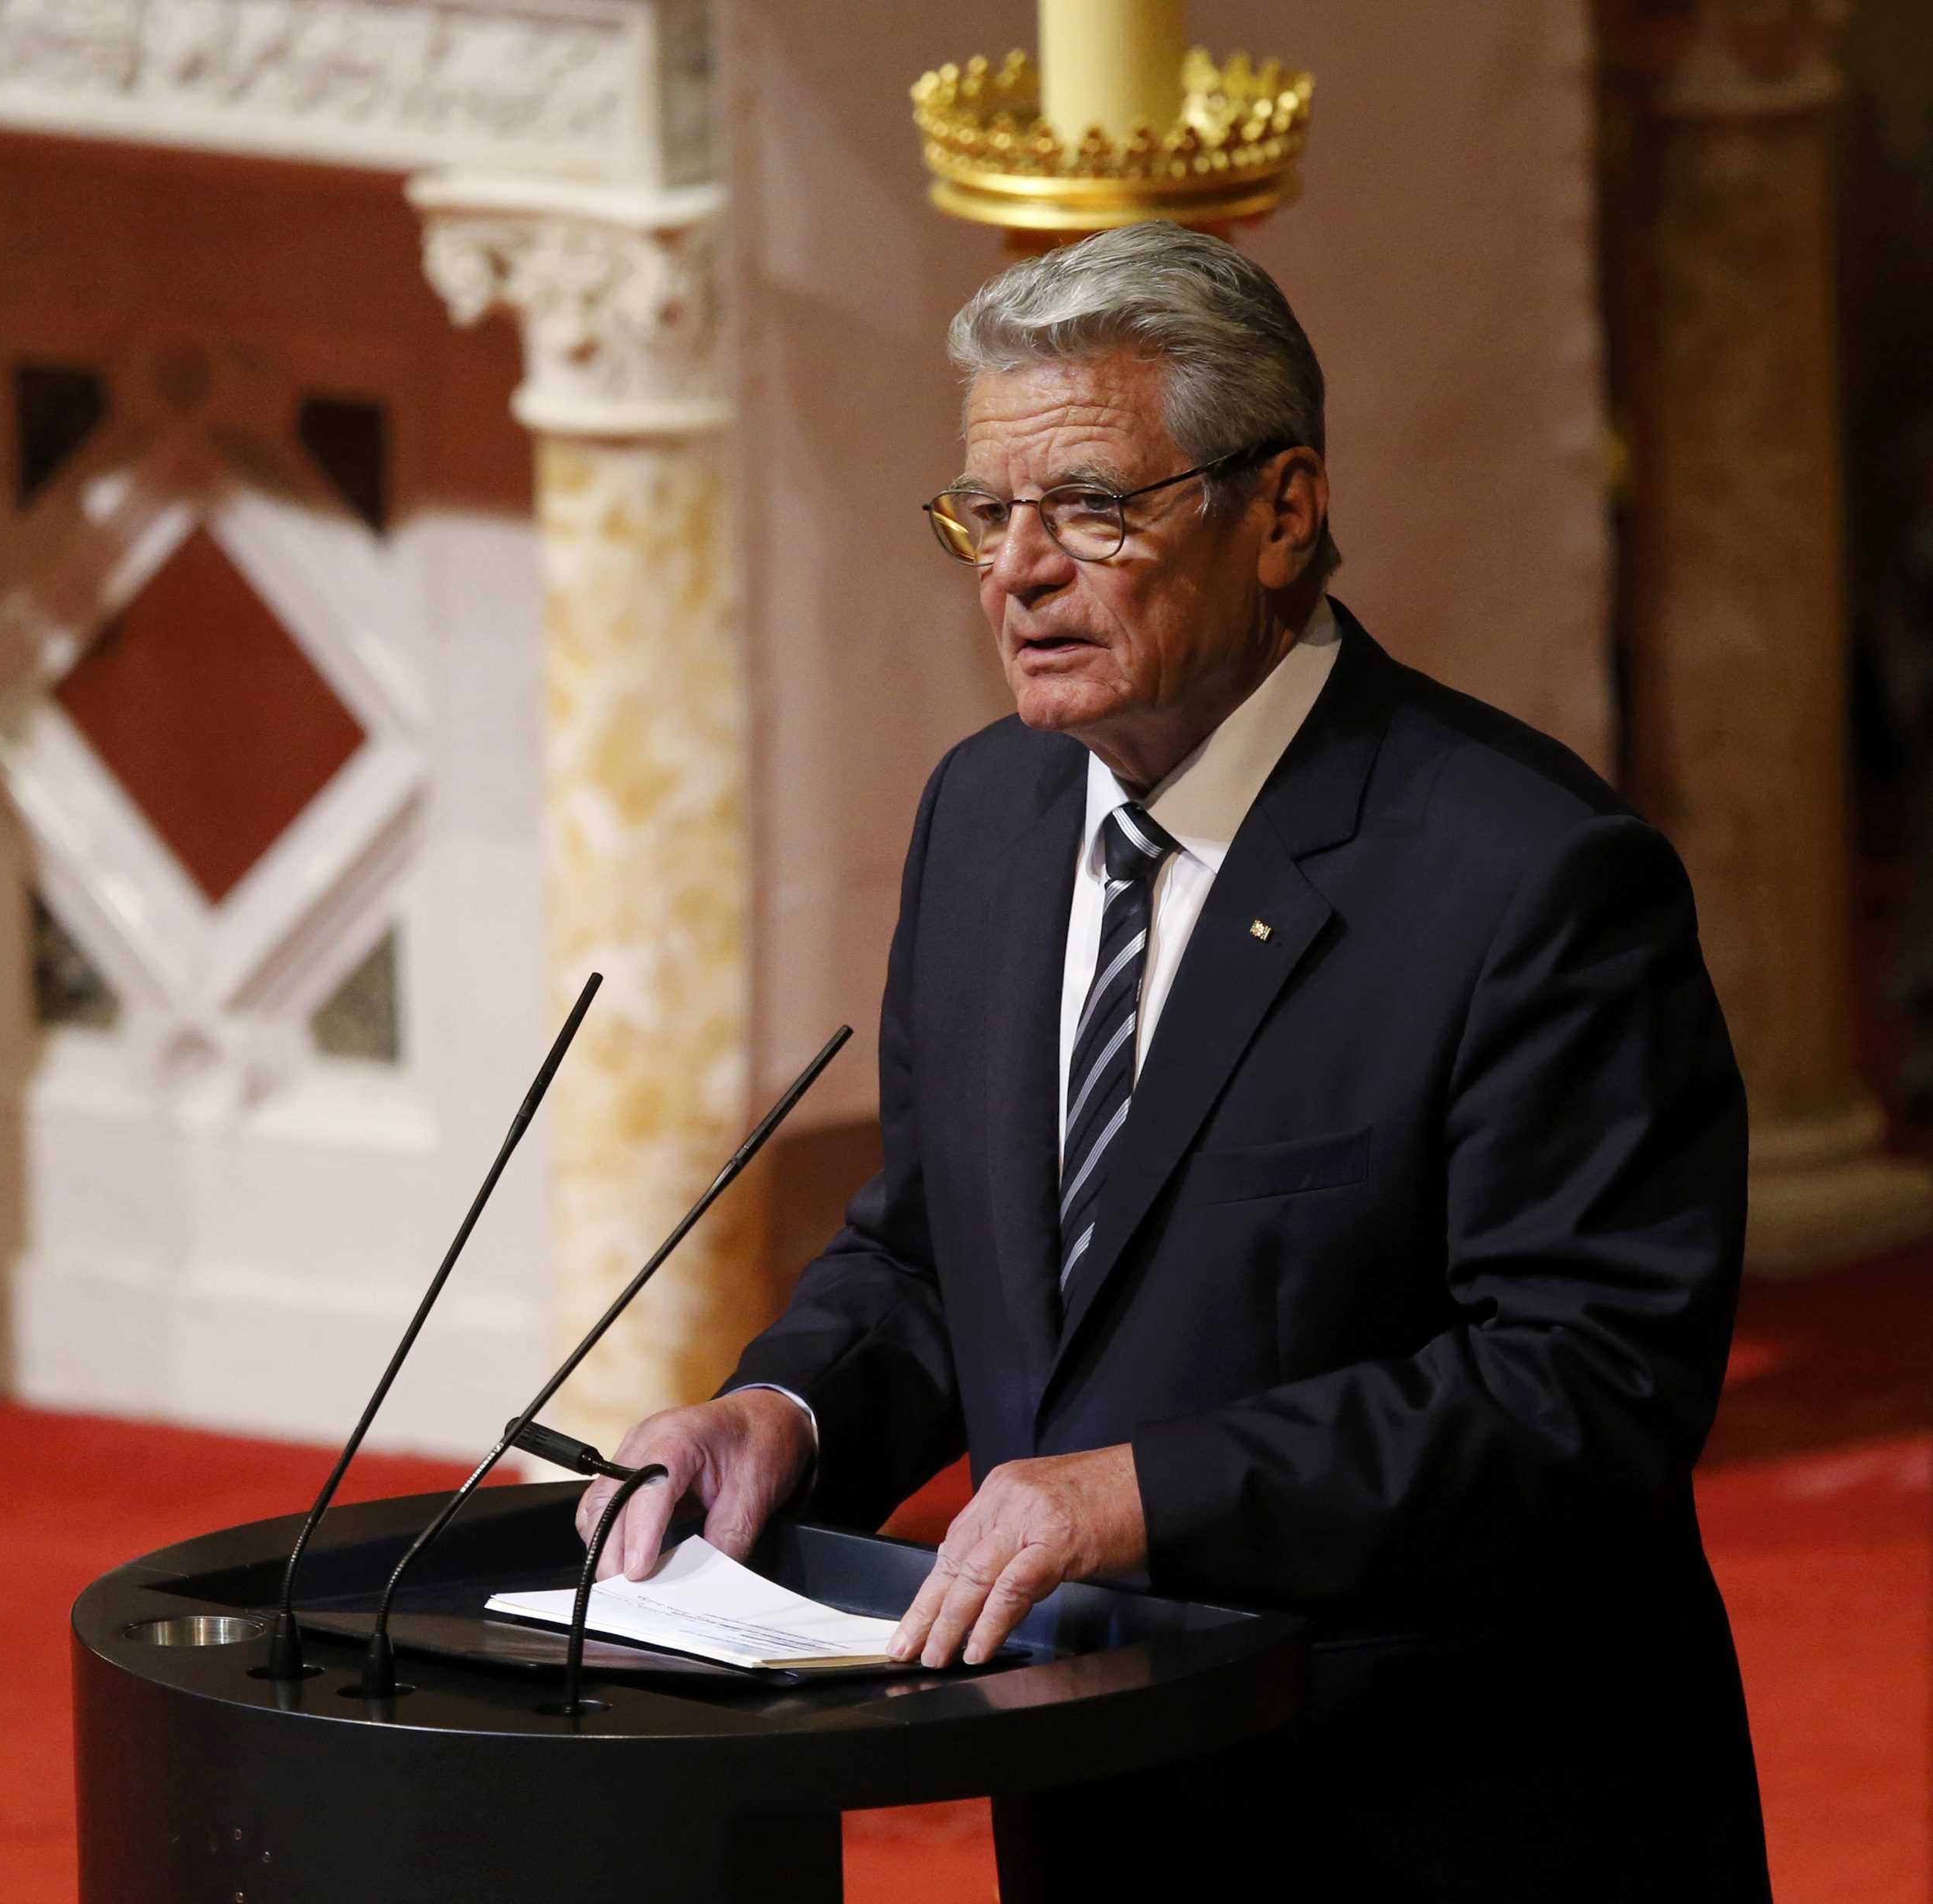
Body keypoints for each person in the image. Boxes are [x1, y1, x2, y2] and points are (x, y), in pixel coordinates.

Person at [578, 222, 1769, 1901]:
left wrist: (1140, 1493)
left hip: (1439, 1806)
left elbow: (1587, 1381)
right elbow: (941, 1247)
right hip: (1100, 1784)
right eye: (984, 516)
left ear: (1279, 511)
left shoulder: (1525, 873)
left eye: (1090, 506)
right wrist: (781, 1407)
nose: (1017, 569)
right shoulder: (987, 813)